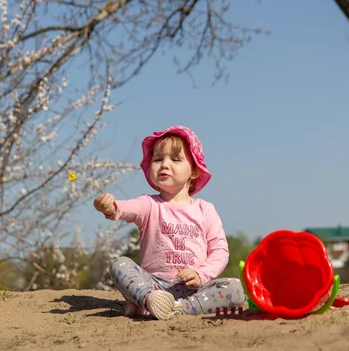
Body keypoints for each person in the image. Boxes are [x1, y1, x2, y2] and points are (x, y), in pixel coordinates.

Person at [93, 125, 246, 320]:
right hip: (153, 284)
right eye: (158, 159)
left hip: (194, 289)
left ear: (194, 171)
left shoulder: (205, 210)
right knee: (119, 265)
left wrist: (202, 274)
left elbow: (220, 250)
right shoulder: (149, 205)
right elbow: (125, 208)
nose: (164, 164)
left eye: (175, 159)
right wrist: (109, 206)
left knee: (235, 287)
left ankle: (177, 308)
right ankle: (148, 299)